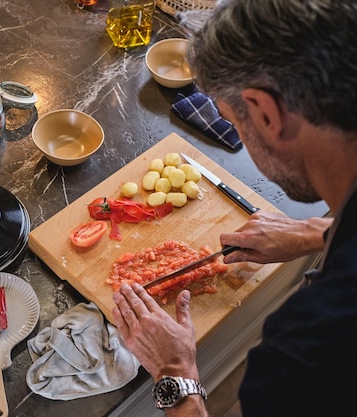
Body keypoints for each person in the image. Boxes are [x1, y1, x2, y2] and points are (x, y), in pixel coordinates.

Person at [112, 1, 357, 416]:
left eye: (232, 120)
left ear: (263, 112)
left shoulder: (309, 349)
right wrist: (318, 233)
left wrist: (176, 374)